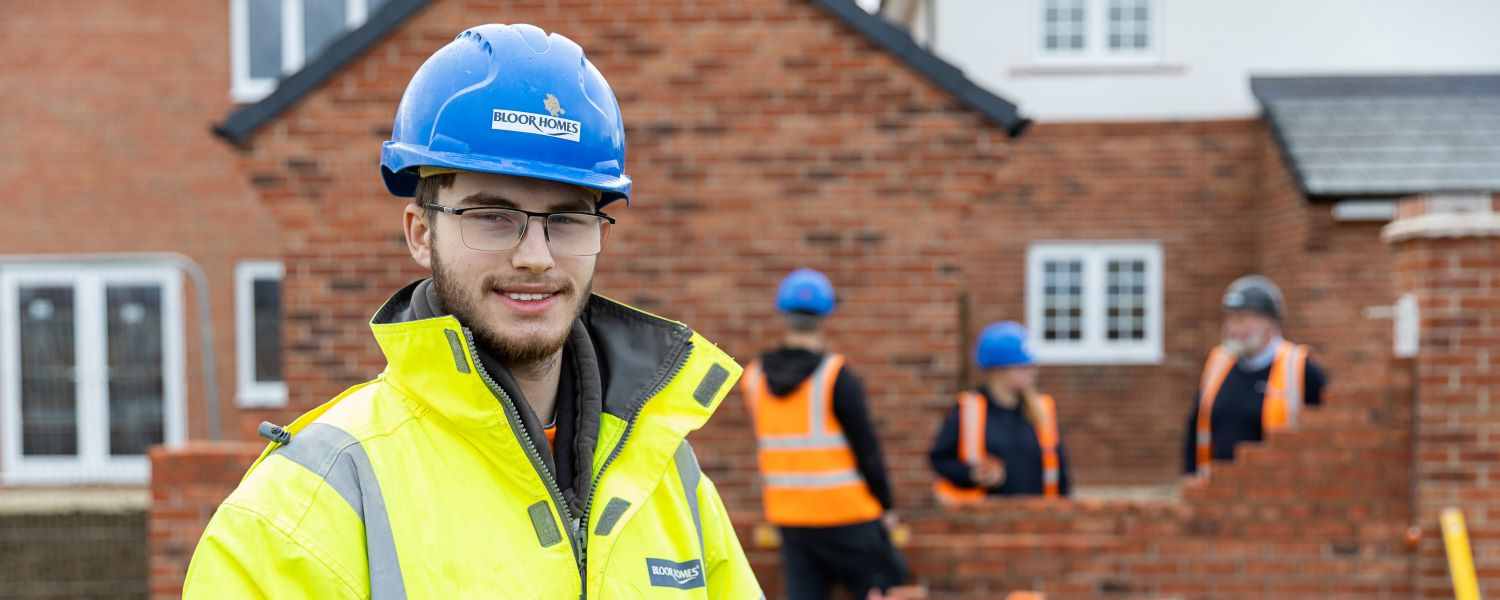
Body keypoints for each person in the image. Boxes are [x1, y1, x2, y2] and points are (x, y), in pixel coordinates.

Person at [183, 24, 759, 598]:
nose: (536, 257)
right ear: (420, 233)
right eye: (492, 215)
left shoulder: (667, 476)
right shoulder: (306, 504)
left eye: (566, 218)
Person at [742, 269, 911, 599]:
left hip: (791, 518)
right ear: (825, 315)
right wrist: (886, 506)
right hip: (849, 516)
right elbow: (867, 448)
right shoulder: (836, 375)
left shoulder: (754, 377)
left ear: (783, 313)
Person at [1184, 275, 1328, 476]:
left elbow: (1326, 432)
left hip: (1276, 494)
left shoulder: (1299, 367)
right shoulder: (1218, 363)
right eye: (1230, 318)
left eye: (1243, 319)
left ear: (1270, 322)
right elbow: (1195, 428)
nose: (1234, 328)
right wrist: (1191, 476)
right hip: (1218, 493)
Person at [930, 322, 1071, 503]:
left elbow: (1061, 474)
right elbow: (940, 460)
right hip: (986, 521)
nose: (1032, 373)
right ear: (998, 370)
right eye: (1022, 367)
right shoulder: (970, 409)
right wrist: (972, 473)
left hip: (1037, 520)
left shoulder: (1042, 409)